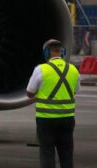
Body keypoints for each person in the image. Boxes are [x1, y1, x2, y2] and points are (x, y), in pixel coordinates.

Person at [27, 39, 80, 168]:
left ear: (46, 53)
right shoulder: (73, 69)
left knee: (47, 152)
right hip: (67, 119)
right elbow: (76, 90)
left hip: (46, 119)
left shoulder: (41, 69)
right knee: (67, 154)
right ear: (62, 52)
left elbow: (29, 93)